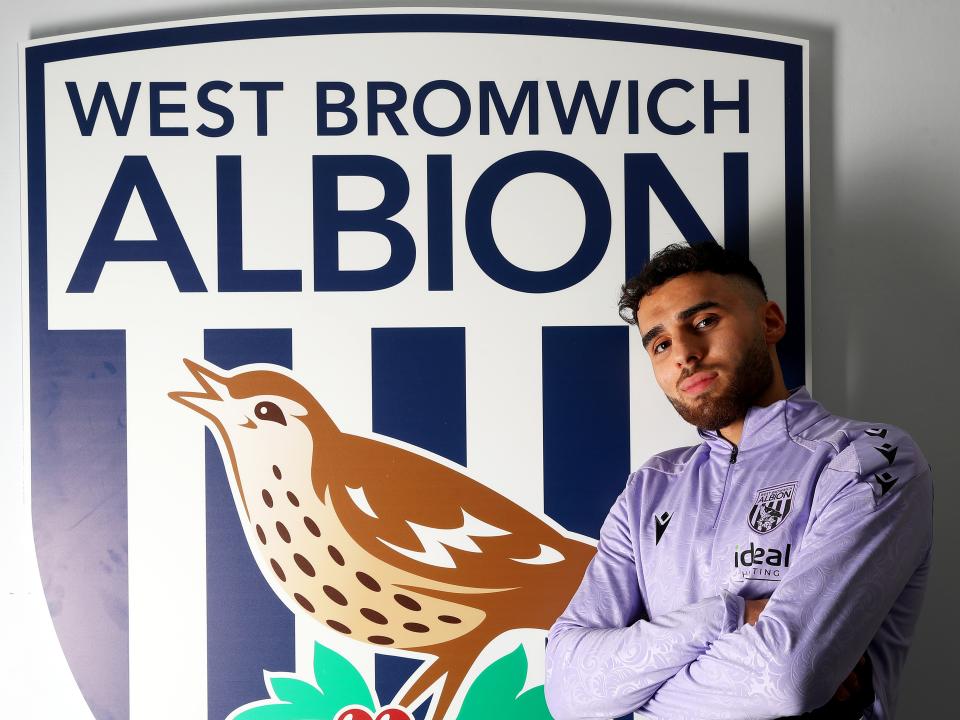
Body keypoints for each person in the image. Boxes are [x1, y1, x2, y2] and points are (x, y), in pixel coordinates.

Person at [543, 242, 932, 720]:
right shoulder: (650, 488)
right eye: (660, 343)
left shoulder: (866, 458)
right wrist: (730, 615)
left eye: (704, 322)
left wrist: (635, 697)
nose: (684, 354)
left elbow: (786, 676)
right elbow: (569, 691)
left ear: (770, 322)